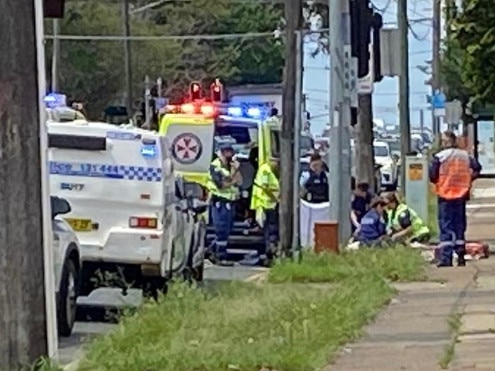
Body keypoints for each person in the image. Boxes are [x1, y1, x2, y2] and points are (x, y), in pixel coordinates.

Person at [429, 130, 482, 267]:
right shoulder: (465, 156)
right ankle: (460, 256)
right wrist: (468, 180)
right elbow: (477, 168)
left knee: (446, 226)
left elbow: (432, 175)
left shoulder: (440, 157)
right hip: (461, 194)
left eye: (443, 140)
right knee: (459, 225)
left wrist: (441, 182)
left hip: (445, 194)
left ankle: (446, 258)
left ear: (447, 142)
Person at [205, 143, 242, 265]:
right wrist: (232, 179)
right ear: (219, 153)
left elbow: (240, 181)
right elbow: (221, 185)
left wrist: (236, 170)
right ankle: (220, 256)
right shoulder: (215, 167)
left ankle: (213, 252)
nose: (228, 154)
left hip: (230, 203)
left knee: (226, 231)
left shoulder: (231, 166)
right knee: (220, 230)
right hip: (219, 203)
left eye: (230, 151)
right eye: (225, 151)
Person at [248, 156, 280, 265]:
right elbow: (265, 187)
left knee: (269, 231)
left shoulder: (269, 170)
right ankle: (269, 254)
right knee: (270, 231)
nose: (276, 164)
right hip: (265, 204)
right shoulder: (265, 170)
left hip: (269, 205)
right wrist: (275, 198)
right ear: (271, 161)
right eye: (275, 161)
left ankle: (269, 254)